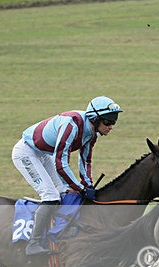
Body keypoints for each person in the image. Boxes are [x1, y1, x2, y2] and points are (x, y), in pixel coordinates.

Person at [12, 96, 122, 255]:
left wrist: (87, 184)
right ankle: (33, 244)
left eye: (114, 122)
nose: (111, 126)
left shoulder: (92, 134)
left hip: (44, 153)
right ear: (95, 119)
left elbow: (85, 160)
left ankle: (59, 230)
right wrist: (80, 188)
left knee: (65, 191)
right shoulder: (72, 125)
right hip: (27, 153)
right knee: (50, 195)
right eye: (108, 122)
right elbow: (60, 163)